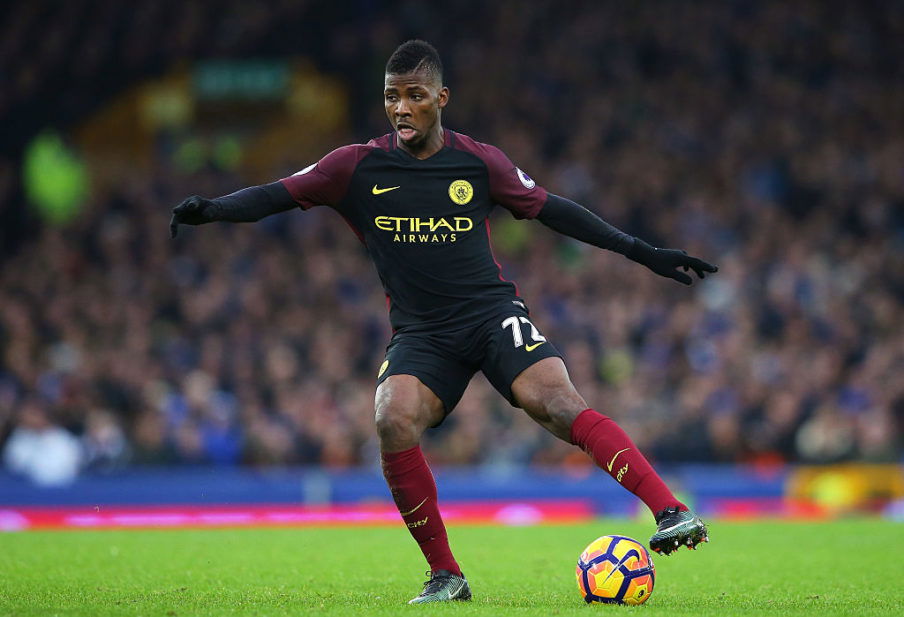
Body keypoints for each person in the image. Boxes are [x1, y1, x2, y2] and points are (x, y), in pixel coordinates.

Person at [170, 40, 717, 604]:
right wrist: (212, 209)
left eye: (414, 96)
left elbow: (554, 210)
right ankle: (446, 576)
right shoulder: (354, 166)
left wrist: (641, 251)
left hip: (491, 314)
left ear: (441, 97)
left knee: (558, 404)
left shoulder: (479, 161)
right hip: (424, 333)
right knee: (392, 418)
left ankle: (670, 511)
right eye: (391, 98)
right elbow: (277, 194)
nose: (401, 108)